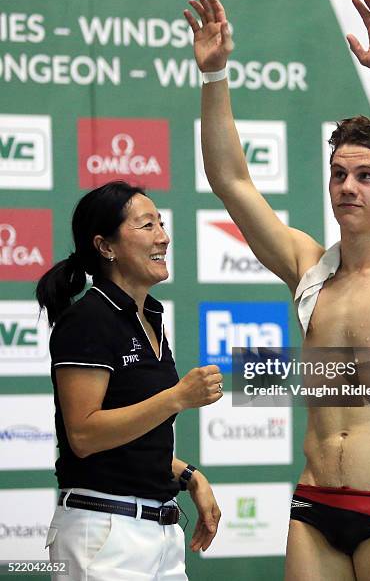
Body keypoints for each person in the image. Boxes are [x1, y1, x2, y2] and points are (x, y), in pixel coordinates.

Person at [184, 0, 370, 581]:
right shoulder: (309, 265)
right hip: (313, 510)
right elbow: (230, 181)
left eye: (367, 176)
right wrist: (214, 78)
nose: (347, 187)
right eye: (339, 174)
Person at [36, 181, 223, 580]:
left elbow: (132, 440)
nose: (164, 237)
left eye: (161, 223)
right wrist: (176, 397)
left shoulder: (148, 316)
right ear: (106, 247)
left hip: (161, 533)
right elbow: (84, 435)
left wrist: (190, 475)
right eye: (147, 226)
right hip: (103, 535)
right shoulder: (88, 318)